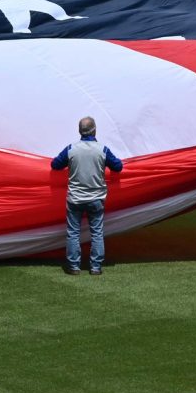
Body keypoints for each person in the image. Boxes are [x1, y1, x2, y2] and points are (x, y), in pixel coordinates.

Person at [51, 116, 123, 275]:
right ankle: (95, 267)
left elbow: (55, 165)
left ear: (79, 131)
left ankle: (74, 266)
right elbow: (118, 167)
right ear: (95, 130)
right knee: (97, 232)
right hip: (96, 198)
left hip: (75, 199)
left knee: (73, 232)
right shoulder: (102, 149)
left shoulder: (71, 149)